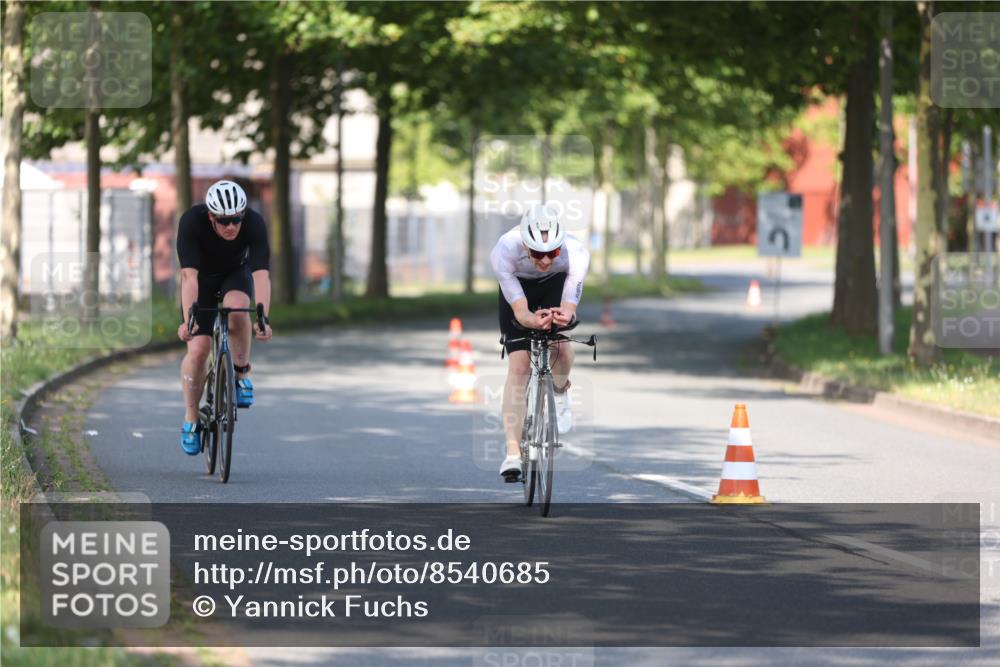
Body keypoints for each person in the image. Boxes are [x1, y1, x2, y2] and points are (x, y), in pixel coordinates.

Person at [490, 203, 590, 481]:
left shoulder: (576, 252)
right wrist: (530, 320)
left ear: (561, 246)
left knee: (561, 347)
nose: (545, 260)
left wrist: (565, 315)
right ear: (525, 243)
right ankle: (512, 453)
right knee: (519, 367)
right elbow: (521, 313)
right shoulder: (504, 250)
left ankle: (560, 389)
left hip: (555, 284)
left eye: (552, 253)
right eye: (537, 253)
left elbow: (569, 307)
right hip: (519, 287)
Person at [175, 180, 272, 455]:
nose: (231, 226)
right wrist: (189, 320)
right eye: (223, 220)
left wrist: (263, 317)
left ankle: (241, 373)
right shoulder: (192, 222)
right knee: (198, 350)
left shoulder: (254, 223)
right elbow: (189, 277)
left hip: (234, 273)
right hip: (201, 281)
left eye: (236, 220)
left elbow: (261, 275)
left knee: (238, 309)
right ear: (211, 216)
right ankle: (191, 419)